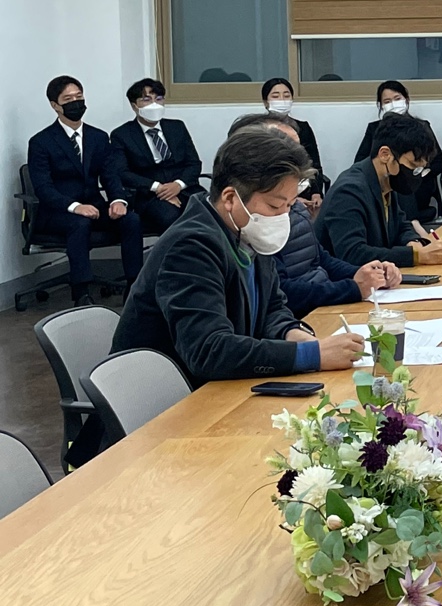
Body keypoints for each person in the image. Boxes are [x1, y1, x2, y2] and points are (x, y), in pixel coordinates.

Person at [109, 126, 366, 388]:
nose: (283, 217)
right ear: (230, 198)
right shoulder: (191, 246)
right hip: (166, 396)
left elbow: (272, 309)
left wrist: (297, 336)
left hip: (220, 385)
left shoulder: (244, 229)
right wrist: (311, 355)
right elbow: (209, 350)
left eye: (289, 206)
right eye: (275, 206)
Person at [228, 113, 401, 318]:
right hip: (309, 312)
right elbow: (280, 292)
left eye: (297, 149)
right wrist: (352, 288)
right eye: (284, 149)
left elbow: (321, 259)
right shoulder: (255, 223)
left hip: (321, 307)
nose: (297, 158)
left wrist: (368, 274)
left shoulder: (297, 210)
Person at [27, 75, 144, 305]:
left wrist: (118, 200)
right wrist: (75, 207)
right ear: (55, 105)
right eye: (68, 99)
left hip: (94, 207)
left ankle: (135, 287)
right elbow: (43, 188)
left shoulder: (98, 137)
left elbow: (110, 175)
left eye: (79, 97)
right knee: (79, 223)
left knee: (131, 220)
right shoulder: (41, 142)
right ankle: (81, 293)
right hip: (58, 212)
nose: (76, 103)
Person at [314, 113, 442, 268]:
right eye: (413, 166)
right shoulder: (348, 191)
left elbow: (402, 225)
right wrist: (416, 256)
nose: (415, 174)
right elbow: (353, 254)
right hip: (341, 279)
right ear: (385, 155)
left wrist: (413, 242)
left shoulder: (386, 182)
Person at [110, 78, 205, 235]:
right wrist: (158, 188)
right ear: (134, 106)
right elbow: (122, 172)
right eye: (147, 100)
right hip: (150, 195)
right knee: (171, 217)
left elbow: (194, 163)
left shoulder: (177, 127)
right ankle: (176, 251)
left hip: (185, 188)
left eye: (159, 99)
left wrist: (178, 185)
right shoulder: (121, 135)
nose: (154, 104)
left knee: (211, 211)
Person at [351, 80, 442, 221]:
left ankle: (408, 222)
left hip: (418, 183)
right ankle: (410, 222)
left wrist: (417, 172)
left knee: (404, 183)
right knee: (394, 185)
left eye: (397, 99)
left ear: (406, 100)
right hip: (384, 184)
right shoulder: (374, 129)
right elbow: (360, 161)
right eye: (387, 101)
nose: (393, 104)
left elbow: (439, 163)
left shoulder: (421, 127)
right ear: (381, 106)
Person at [260, 78, 326, 210]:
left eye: (286, 96)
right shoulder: (257, 129)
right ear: (265, 101)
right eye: (275, 96)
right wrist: (292, 201)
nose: (282, 100)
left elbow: (314, 164)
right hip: (268, 191)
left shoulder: (303, 128)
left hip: (303, 189)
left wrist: (316, 193)